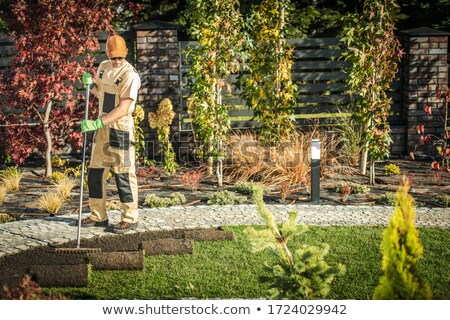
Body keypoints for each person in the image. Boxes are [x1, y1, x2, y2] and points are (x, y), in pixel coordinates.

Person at [80, 34, 141, 234]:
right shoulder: (104, 67)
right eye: (113, 57)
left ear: (125, 54)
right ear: (107, 53)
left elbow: (123, 107)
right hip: (103, 127)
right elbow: (101, 92)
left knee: (123, 174)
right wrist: (91, 84)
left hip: (120, 128)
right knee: (96, 172)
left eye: (119, 58)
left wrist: (98, 122)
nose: (116, 61)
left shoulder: (130, 75)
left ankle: (130, 218)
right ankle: (98, 216)